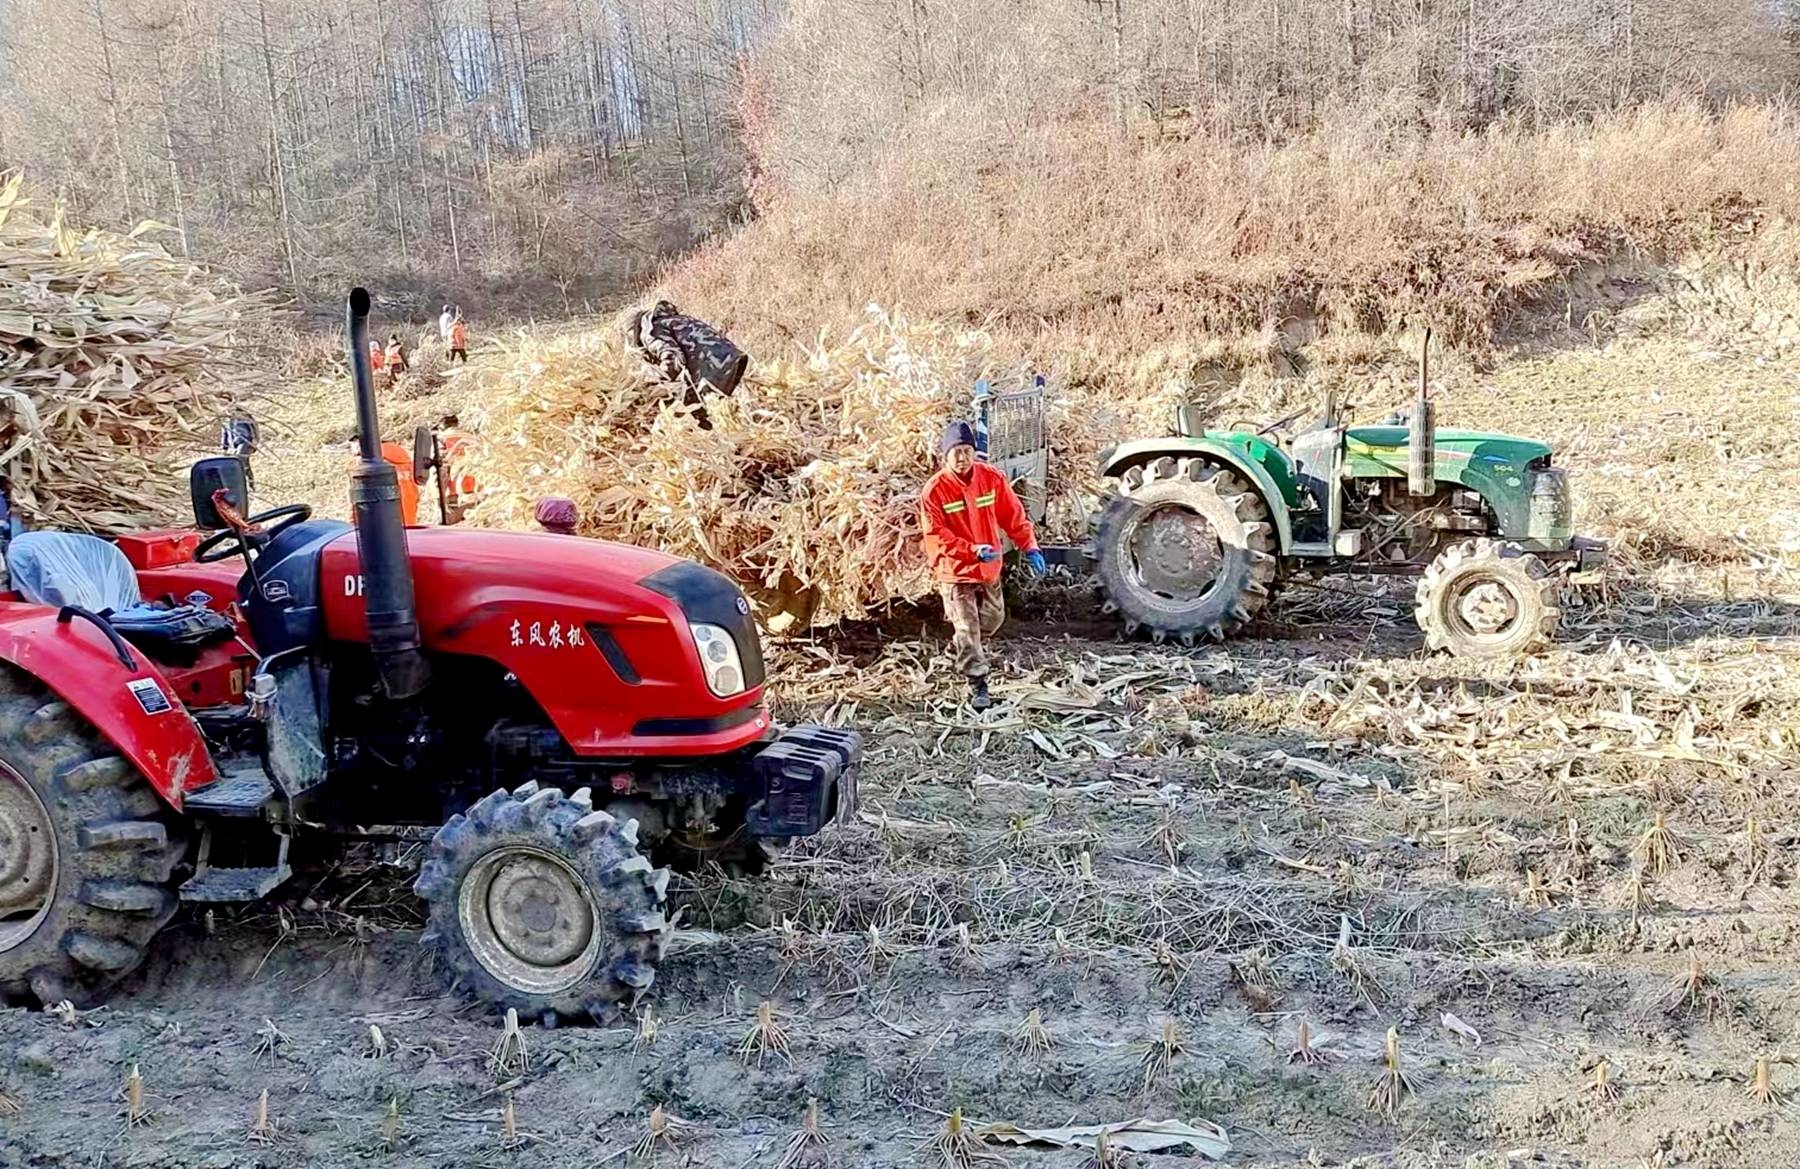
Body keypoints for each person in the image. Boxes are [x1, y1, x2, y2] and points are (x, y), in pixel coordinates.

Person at [918, 419, 1045, 710]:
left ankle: (961, 648)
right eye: (955, 452)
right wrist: (972, 551)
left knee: (992, 619)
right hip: (956, 570)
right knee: (967, 627)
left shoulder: (991, 479)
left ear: (975, 452)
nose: (962, 458)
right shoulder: (934, 491)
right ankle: (978, 686)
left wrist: (1030, 546)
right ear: (944, 456)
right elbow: (937, 535)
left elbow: (1013, 515)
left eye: (967, 451)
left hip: (988, 567)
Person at [623, 300, 749, 429]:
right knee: (726, 415)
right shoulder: (675, 320)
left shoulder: (650, 331)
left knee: (700, 413)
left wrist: (655, 386)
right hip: (731, 360)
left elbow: (674, 359)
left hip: (717, 367)